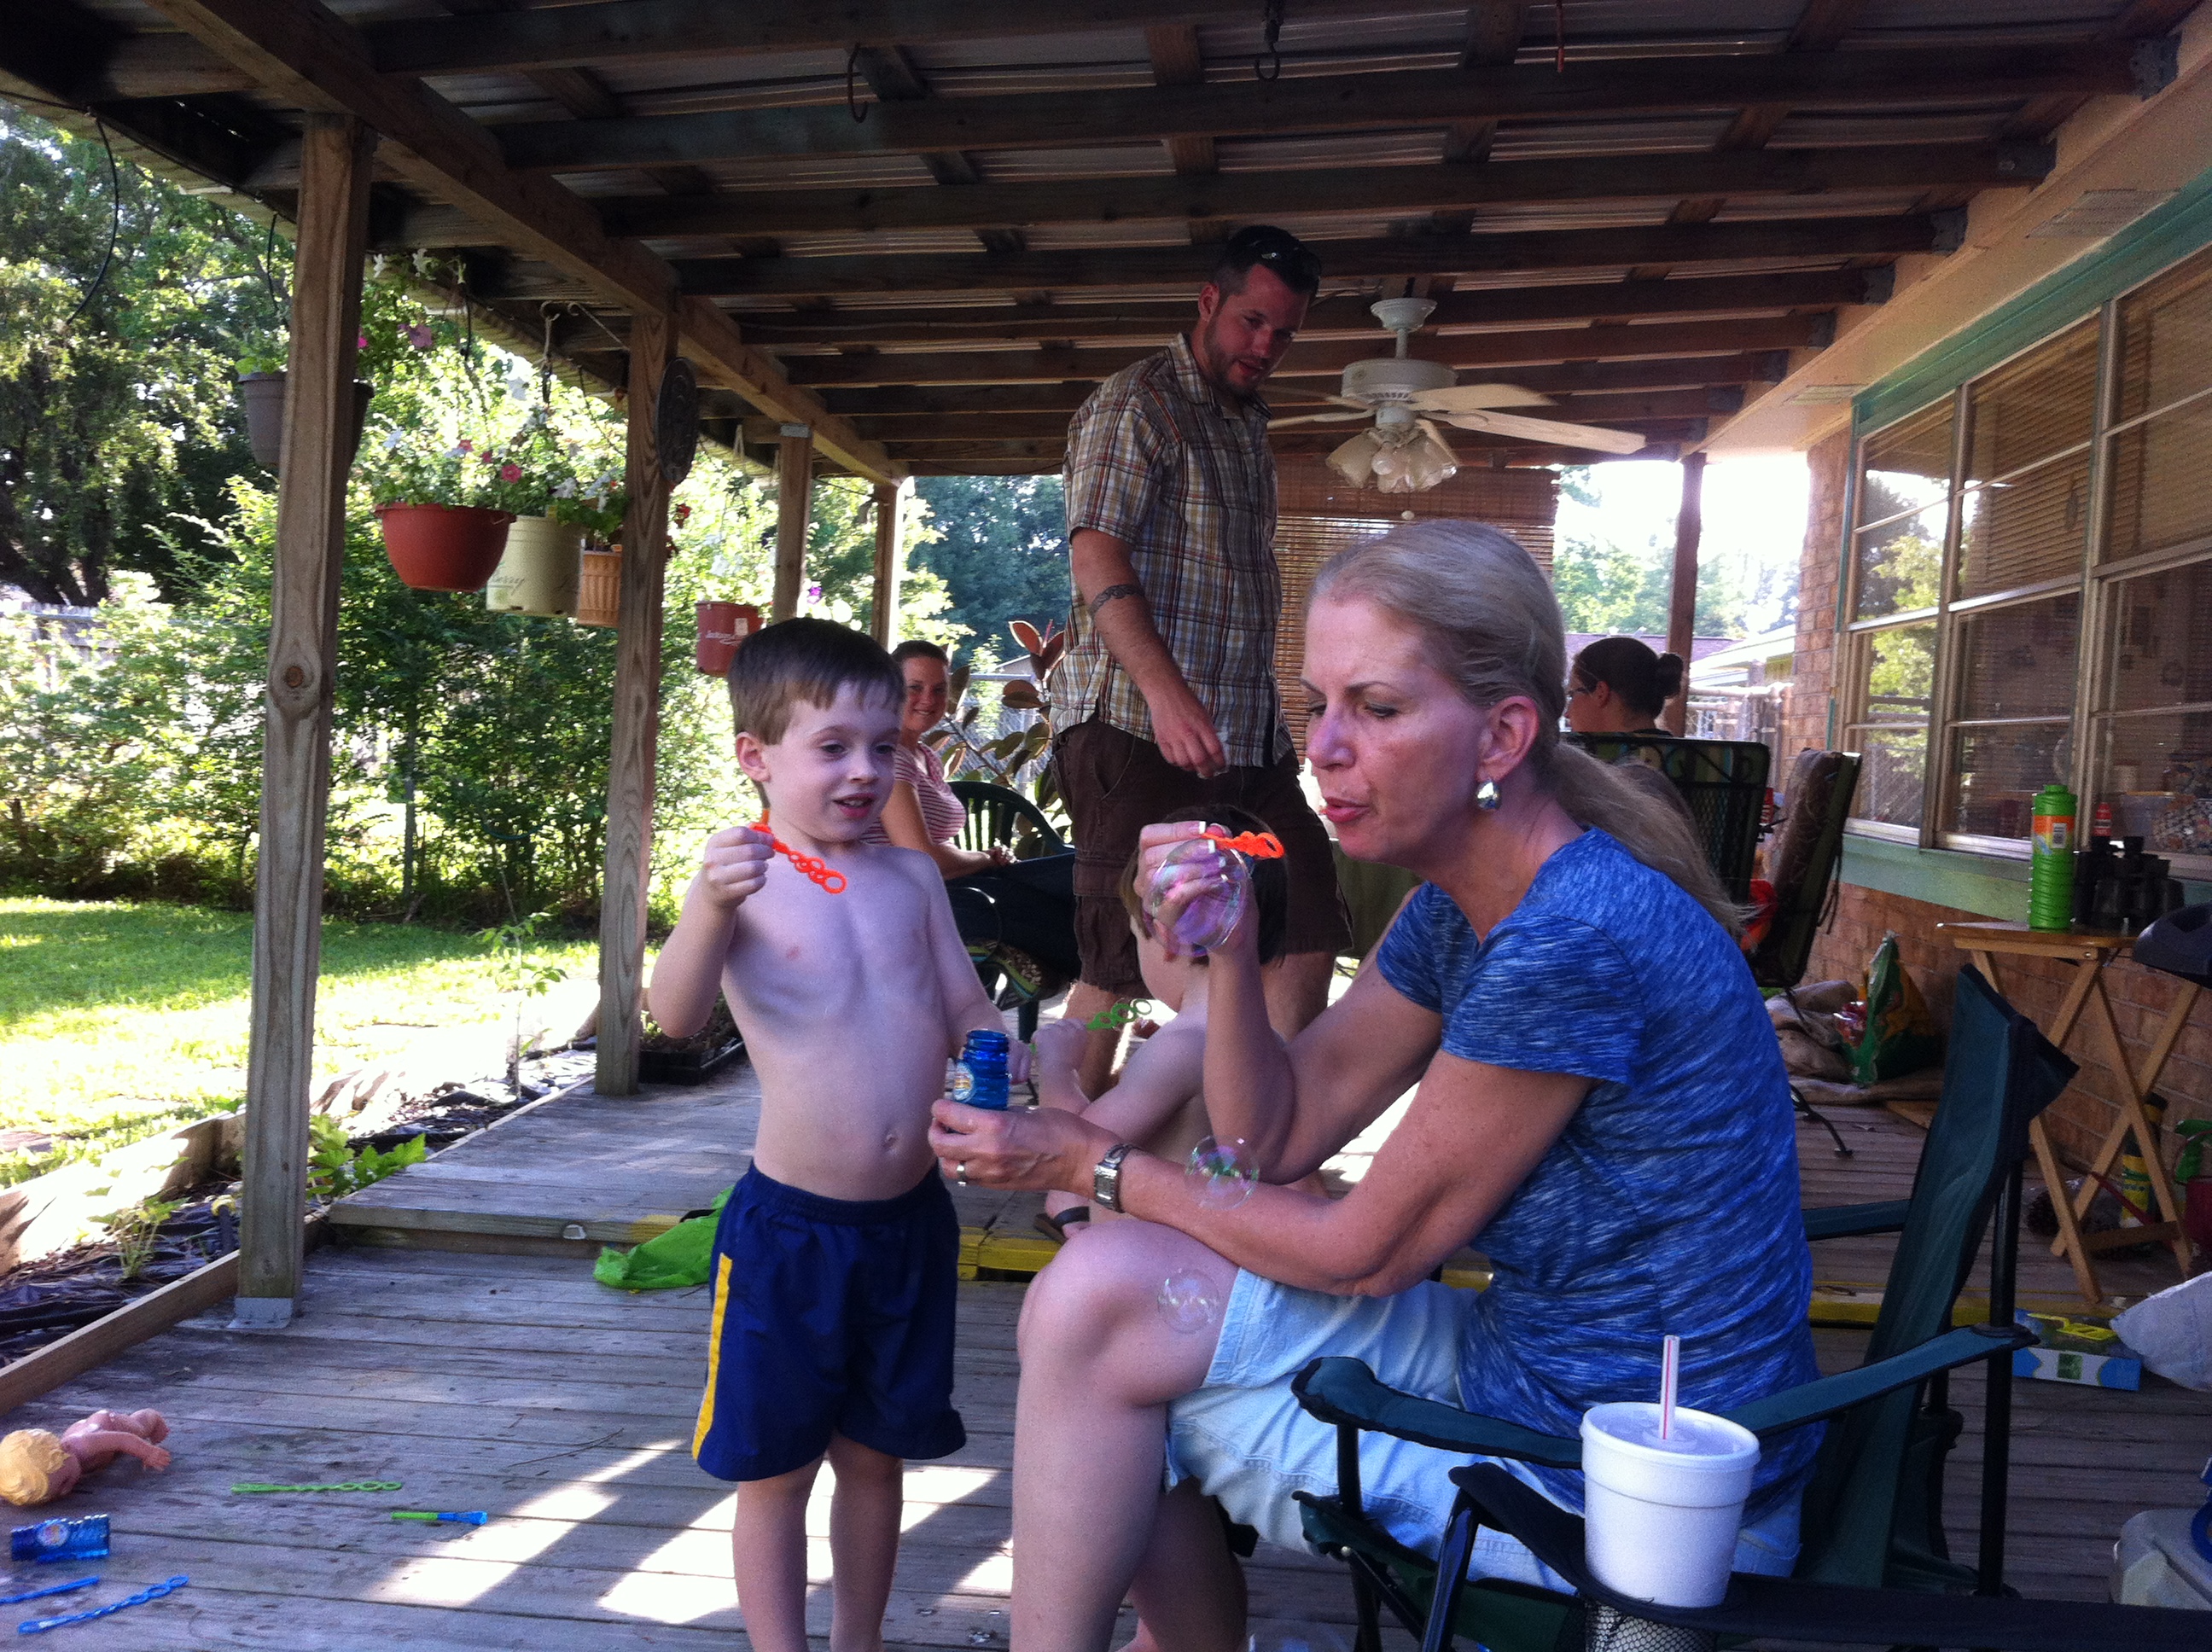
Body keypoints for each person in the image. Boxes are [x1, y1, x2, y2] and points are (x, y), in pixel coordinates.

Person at [932, 523, 1819, 1652]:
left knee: (1091, 1321)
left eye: (1379, 709)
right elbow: (1276, 1137)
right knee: (1103, 1293)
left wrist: (1090, 1163)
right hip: (1537, 1368)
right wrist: (1229, 957)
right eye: (1319, 708)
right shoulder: (1464, 902)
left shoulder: (1568, 941)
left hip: (1631, 1488)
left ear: (1502, 735)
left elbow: (1363, 1253)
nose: (1326, 749)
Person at [646, 618, 1028, 1652]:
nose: (866, 770)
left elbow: (965, 1005)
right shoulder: (746, 878)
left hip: (910, 1224)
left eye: (883, 746)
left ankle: (858, 1640)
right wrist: (704, 904)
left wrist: (1012, 1062)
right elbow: (674, 1015)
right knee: (776, 1468)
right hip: (790, 1234)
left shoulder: (910, 878)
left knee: (875, 1456)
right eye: (833, 747)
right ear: (756, 757)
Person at [1054, 224, 1351, 1096]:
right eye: (1253, 321)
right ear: (1209, 301)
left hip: (1246, 741)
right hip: (1135, 727)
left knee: (1306, 914)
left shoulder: (1247, 422)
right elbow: (1095, 553)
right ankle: (1066, 1140)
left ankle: (1251, 1129)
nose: (1266, 346)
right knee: (1119, 962)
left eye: (1285, 332)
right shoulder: (1138, 402)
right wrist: (1167, 695)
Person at [1030, 804, 1289, 1243]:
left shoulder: (1180, 1047)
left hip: (1138, 1264)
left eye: (1136, 936)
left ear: (1166, 935)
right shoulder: (1271, 1041)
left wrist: (1057, 1068)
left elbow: (1072, 1146)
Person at [872, 638, 1080, 994]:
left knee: (1083, 871)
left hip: (953, 884)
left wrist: (982, 862)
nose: (929, 700)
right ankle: (1110, 973)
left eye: (939, 690)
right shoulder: (888, 756)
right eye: (915, 688)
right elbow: (923, 859)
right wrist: (985, 859)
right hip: (917, 900)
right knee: (1073, 916)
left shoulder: (924, 756)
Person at [1566, 634, 1685, 735]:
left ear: (1600, 693)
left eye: (1572, 695)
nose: (1567, 714)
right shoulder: (1686, 753)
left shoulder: (1600, 754)